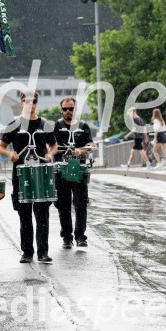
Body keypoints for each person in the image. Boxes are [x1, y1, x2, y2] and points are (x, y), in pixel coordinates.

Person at [0, 90, 58, 264]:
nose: (31, 104)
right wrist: (10, 154)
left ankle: (43, 252)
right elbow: (0, 148)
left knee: (42, 215)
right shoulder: (14, 124)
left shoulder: (44, 124)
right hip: (21, 174)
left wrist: (50, 155)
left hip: (41, 173)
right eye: (27, 101)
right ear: (21, 103)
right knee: (24, 215)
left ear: (37, 103)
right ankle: (27, 252)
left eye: (34, 101)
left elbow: (53, 146)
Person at [52, 97, 95, 249]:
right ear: (61, 110)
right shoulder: (55, 126)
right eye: (65, 109)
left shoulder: (83, 126)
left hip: (79, 169)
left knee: (80, 204)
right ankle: (67, 237)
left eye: (71, 109)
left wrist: (81, 150)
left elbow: (90, 145)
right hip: (60, 170)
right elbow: (48, 145)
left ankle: (80, 236)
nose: (68, 112)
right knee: (63, 205)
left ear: (75, 109)